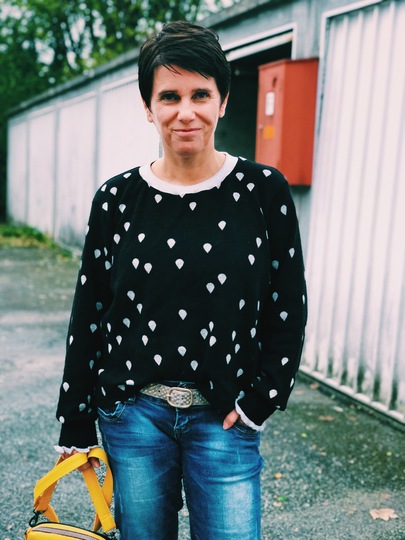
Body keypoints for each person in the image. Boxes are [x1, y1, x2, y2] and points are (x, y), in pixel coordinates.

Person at [56, 20, 307, 540]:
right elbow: (91, 311)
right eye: (169, 96)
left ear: (223, 101)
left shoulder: (263, 192)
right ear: (148, 107)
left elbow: (288, 305)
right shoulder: (117, 200)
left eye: (200, 94)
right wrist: (76, 418)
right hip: (133, 419)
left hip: (226, 416)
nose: (185, 111)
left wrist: (263, 398)